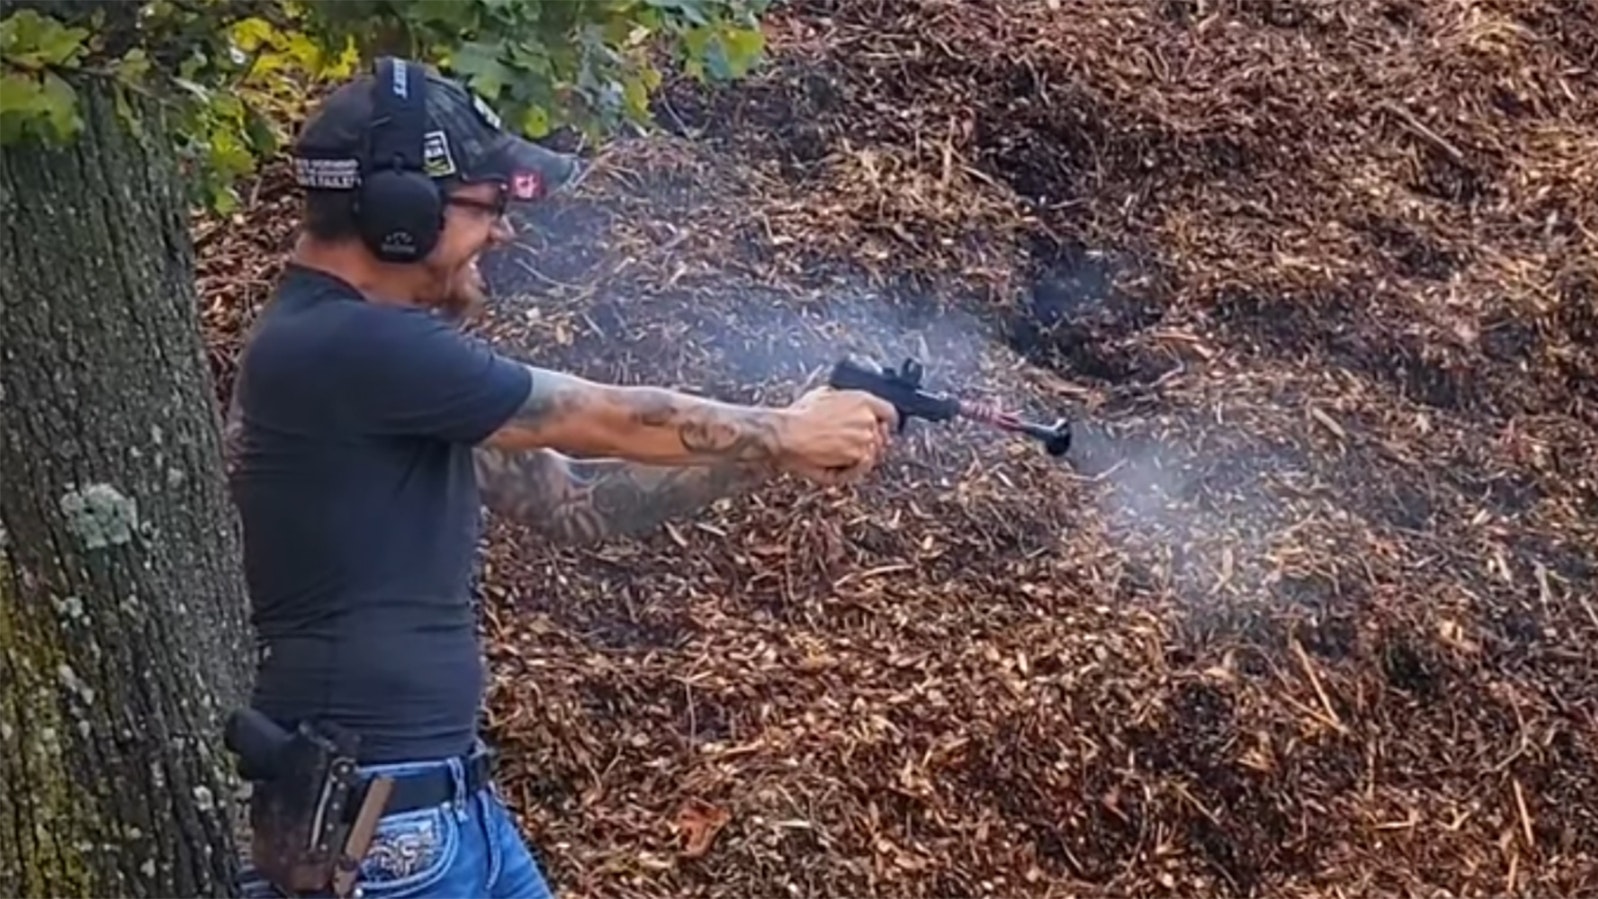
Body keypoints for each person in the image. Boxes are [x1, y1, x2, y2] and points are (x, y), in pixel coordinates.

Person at [223, 57, 898, 899]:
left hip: (439, 805)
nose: (503, 233)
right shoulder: (349, 344)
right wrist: (788, 430)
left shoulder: (363, 365)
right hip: (385, 838)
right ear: (400, 212)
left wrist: (773, 453)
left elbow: (577, 501)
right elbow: (608, 416)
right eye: (488, 205)